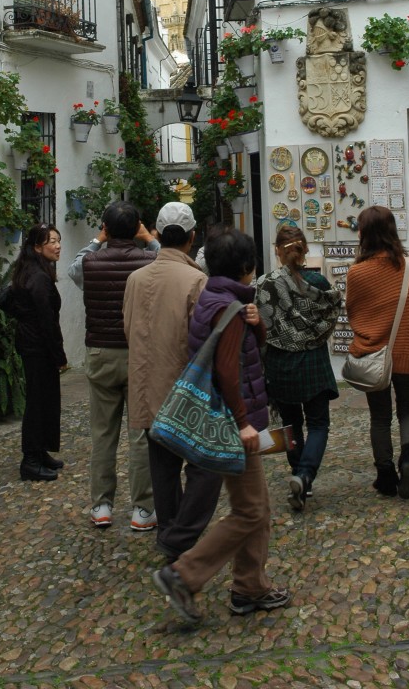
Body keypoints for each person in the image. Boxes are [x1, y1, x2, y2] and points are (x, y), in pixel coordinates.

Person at [153, 228, 291, 622]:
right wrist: (245, 423)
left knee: (256, 507)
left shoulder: (216, 298)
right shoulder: (228, 309)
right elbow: (229, 371)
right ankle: (183, 574)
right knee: (250, 511)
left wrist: (257, 323)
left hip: (233, 418)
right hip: (234, 423)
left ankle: (250, 586)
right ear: (248, 269)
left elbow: (244, 352)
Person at [124, 201, 220, 562]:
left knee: (162, 467)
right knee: (202, 465)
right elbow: (203, 341)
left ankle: (169, 530)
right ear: (192, 237)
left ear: (158, 235)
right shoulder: (197, 280)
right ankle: (181, 534)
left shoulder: (135, 279)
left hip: (148, 385)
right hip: (185, 388)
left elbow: (127, 328)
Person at [67, 202, 159, 531]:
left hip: (101, 352)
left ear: (105, 227)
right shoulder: (150, 260)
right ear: (137, 227)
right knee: (139, 435)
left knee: (103, 433)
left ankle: (102, 506)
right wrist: (148, 239)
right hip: (138, 353)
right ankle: (143, 509)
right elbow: (168, 260)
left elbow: (74, 268)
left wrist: (96, 240)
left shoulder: (90, 262)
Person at [345, 206, 409, 500]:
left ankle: (385, 476)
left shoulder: (357, 272)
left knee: (380, 418)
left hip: (374, 354)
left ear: (365, 234)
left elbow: (353, 312)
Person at [256, 226, 341, 510]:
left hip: (280, 363)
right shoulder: (319, 282)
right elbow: (330, 318)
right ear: (304, 250)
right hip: (313, 361)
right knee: (318, 423)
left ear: (278, 251)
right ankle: (305, 475)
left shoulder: (265, 284)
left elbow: (261, 328)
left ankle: (299, 474)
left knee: (291, 425)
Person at [11, 223, 67, 482]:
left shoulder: (32, 271)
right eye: (50, 241)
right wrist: (59, 355)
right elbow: (47, 320)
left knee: (45, 401)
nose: (56, 246)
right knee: (37, 403)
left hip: (33, 345)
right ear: (36, 247)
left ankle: (40, 451)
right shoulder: (38, 277)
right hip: (38, 348)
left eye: (57, 240)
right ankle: (30, 460)